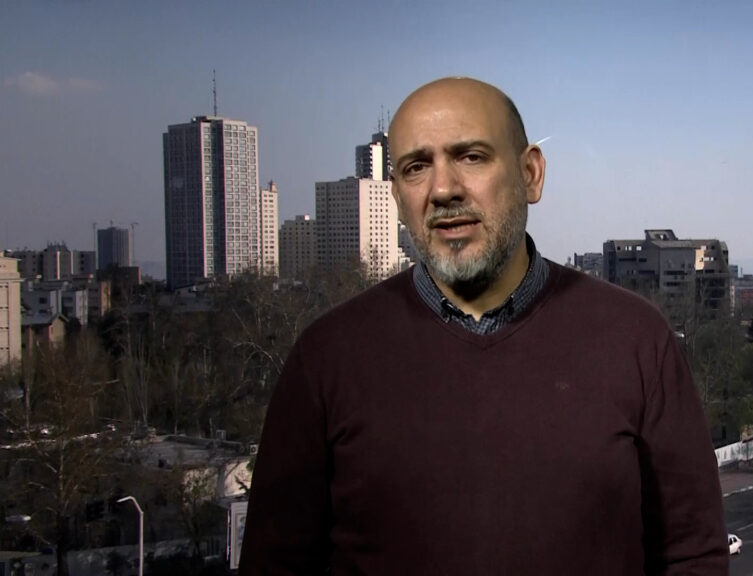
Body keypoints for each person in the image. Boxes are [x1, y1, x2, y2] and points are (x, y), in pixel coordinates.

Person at [239, 77, 727, 575]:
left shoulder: (635, 339)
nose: (443, 189)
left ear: (531, 174)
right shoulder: (327, 358)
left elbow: (692, 554)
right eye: (416, 167)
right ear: (398, 198)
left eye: (471, 157)